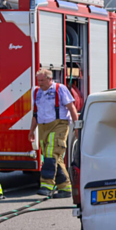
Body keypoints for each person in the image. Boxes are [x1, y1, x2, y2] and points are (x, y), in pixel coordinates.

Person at [29, 69, 79, 198]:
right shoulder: (36, 92)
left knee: (51, 155)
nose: (40, 83)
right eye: (38, 80)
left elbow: (72, 108)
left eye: (42, 80)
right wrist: (32, 131)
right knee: (53, 157)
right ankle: (65, 188)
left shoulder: (60, 89)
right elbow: (35, 113)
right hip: (42, 127)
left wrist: (77, 127)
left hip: (59, 125)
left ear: (50, 79)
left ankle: (47, 186)